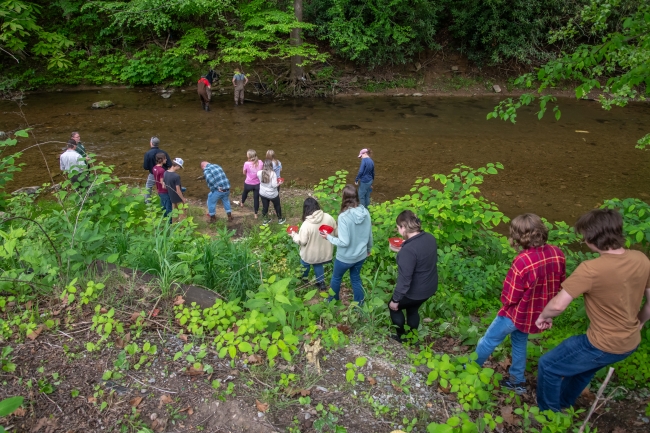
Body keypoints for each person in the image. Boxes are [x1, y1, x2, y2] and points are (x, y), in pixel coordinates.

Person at [535, 209, 650, 412]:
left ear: (591, 237)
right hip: (630, 342)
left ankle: (549, 414)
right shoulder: (641, 259)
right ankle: (564, 404)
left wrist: (544, 316)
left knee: (548, 365)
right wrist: (640, 322)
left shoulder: (591, 269)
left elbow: (558, 305)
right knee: (584, 370)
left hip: (602, 344)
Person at [473, 213, 566, 395]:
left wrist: (505, 304)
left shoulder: (523, 261)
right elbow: (561, 283)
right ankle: (517, 382)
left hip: (516, 313)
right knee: (519, 343)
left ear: (518, 236)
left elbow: (511, 297)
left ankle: (470, 368)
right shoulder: (557, 253)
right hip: (537, 314)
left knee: (489, 340)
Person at [388, 210, 438, 343]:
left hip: (415, 291)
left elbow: (404, 280)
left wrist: (395, 300)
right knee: (413, 309)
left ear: (404, 227)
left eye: (398, 228)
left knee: (394, 307)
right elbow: (419, 254)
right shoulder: (429, 238)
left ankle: (401, 337)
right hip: (429, 287)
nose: (398, 230)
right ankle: (413, 338)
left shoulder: (408, 251)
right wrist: (403, 249)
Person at [321, 184, 373, 304]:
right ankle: (360, 303)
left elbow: (344, 242)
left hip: (345, 258)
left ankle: (332, 301)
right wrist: (368, 249)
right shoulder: (365, 212)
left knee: (336, 278)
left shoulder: (343, 217)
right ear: (357, 196)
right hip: (361, 255)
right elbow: (369, 234)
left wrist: (328, 237)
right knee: (355, 278)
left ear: (344, 198)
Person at [290, 198, 337, 291]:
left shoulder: (306, 224)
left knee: (304, 264)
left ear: (305, 209)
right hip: (323, 252)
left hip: (309, 253)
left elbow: (302, 241)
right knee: (318, 264)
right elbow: (335, 232)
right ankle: (321, 283)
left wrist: (294, 235)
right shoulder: (328, 217)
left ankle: (304, 279)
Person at [143, 136, 171, 204]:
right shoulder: (164, 153)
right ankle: (168, 201)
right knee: (165, 187)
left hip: (153, 174)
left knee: (148, 186)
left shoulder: (148, 154)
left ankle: (147, 202)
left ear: (151, 143)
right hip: (163, 174)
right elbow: (169, 164)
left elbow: (145, 167)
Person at [257, 159, 285, 225]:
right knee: (277, 205)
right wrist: (280, 183)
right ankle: (280, 219)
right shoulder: (273, 174)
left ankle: (265, 220)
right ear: (271, 166)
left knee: (265, 206)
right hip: (272, 194)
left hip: (263, 193)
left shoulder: (259, 172)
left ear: (264, 165)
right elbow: (274, 185)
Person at [240, 149, 263, 219]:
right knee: (256, 198)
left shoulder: (246, 163)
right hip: (257, 184)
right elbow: (262, 171)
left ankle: (242, 203)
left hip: (248, 183)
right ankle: (255, 214)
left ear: (248, 156)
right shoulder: (260, 162)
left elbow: (244, 173)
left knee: (245, 192)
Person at [153, 152, 172, 217]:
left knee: (163, 206)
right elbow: (162, 183)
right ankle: (169, 221)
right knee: (168, 207)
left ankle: (163, 218)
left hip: (159, 190)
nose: (166, 159)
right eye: (165, 158)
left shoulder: (154, 168)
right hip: (164, 191)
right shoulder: (162, 170)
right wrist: (169, 188)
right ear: (162, 159)